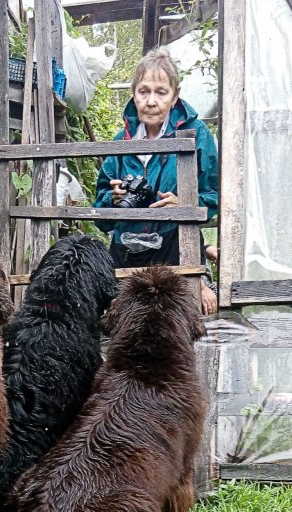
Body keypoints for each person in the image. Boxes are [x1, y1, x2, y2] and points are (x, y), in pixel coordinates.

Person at [93, 48, 218, 315]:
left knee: (179, 326)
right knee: (124, 326)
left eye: (161, 92)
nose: (151, 101)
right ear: (133, 92)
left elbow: (214, 197)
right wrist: (112, 201)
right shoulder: (120, 143)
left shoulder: (196, 135)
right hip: (126, 254)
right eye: (143, 91)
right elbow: (100, 218)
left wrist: (184, 205)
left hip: (176, 249)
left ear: (175, 94)